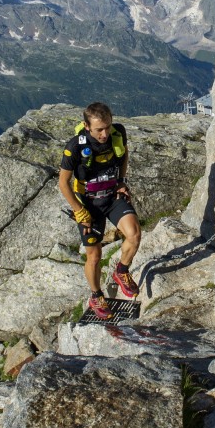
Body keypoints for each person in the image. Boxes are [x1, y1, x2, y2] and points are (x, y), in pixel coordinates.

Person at [58, 102, 141, 320]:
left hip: (112, 196)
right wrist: (79, 211)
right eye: (99, 129)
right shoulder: (75, 146)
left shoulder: (117, 133)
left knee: (134, 234)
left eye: (107, 127)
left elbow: (124, 156)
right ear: (86, 126)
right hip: (88, 204)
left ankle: (121, 271)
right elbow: (63, 183)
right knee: (94, 256)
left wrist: (122, 181)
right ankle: (96, 296)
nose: (104, 134)